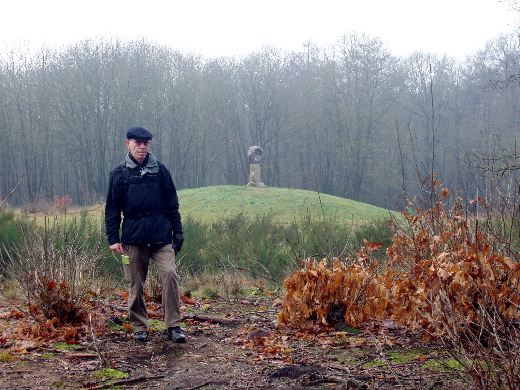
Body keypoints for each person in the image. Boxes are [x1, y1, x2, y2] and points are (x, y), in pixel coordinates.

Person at [105, 126, 186, 343]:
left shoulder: (160, 170)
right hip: (132, 239)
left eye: (146, 143)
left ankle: (174, 326)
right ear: (128, 143)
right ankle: (140, 327)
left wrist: (178, 233)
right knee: (135, 284)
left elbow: (172, 204)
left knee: (169, 275)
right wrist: (113, 238)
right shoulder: (119, 173)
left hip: (161, 237)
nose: (142, 147)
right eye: (137, 142)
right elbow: (112, 208)